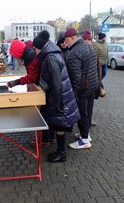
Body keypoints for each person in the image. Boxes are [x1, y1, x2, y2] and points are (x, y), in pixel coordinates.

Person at [33, 30, 80, 162]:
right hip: (60, 96)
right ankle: (60, 151)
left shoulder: (51, 57)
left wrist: (59, 103)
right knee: (60, 125)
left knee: (61, 126)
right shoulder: (52, 54)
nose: (35, 51)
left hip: (60, 97)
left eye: (35, 49)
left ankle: (61, 153)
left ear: (40, 48)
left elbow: (57, 82)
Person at [64, 28, 98, 149]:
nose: (65, 42)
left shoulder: (74, 53)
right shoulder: (89, 46)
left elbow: (75, 77)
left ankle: (84, 141)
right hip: (92, 85)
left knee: (82, 114)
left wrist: (72, 94)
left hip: (83, 88)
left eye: (66, 40)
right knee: (88, 112)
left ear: (72, 37)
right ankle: (86, 135)